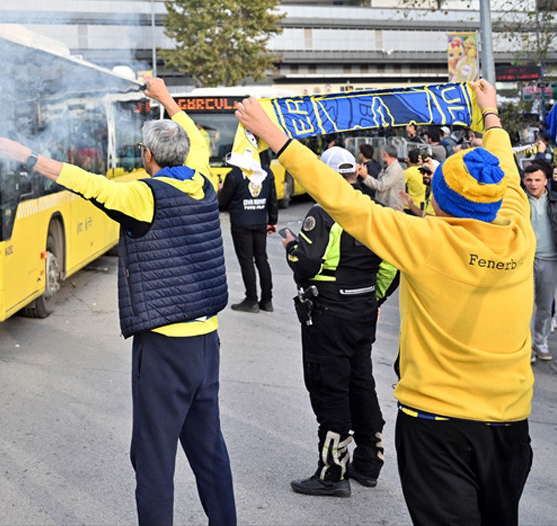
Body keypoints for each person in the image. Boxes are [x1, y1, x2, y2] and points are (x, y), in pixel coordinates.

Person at [236, 80, 533, 526]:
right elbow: (506, 174)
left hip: (437, 424)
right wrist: (490, 114)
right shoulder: (517, 230)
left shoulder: (426, 239)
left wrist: (277, 137)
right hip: (511, 422)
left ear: (438, 200)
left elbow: (344, 203)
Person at [0, 78, 236, 526]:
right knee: (210, 452)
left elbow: (86, 183)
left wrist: (26, 156)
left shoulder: (143, 196)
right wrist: (164, 96)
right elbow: (195, 135)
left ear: (147, 156)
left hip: (164, 348)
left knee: (154, 461)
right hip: (207, 343)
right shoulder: (202, 178)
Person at [282, 146, 399, 497]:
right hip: (363, 311)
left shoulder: (324, 213)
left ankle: (332, 473)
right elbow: (392, 266)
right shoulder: (377, 211)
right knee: (361, 382)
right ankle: (369, 462)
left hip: (329, 313)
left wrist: (291, 246)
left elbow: (308, 265)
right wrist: (372, 298)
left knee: (329, 387)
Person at [219, 151, 277, 313]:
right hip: (260, 221)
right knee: (262, 259)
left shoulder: (235, 174)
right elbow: (273, 198)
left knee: (246, 262)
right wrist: (272, 221)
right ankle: (267, 300)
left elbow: (223, 202)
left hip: (241, 222)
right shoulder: (266, 172)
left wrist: (220, 190)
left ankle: (251, 300)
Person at [523, 162, 557, 363]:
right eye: (529, 180)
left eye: (537, 179)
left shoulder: (554, 200)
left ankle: (541, 342)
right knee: (526, 305)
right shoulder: (518, 201)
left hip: (549, 259)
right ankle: (526, 345)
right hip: (525, 259)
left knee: (545, 304)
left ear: (546, 180)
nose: (533, 184)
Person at [360, 144, 404, 209]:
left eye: (381, 154)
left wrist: (365, 176)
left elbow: (381, 186)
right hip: (386, 207)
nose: (380, 157)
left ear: (385, 154)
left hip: (392, 208)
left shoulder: (395, 169)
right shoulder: (387, 167)